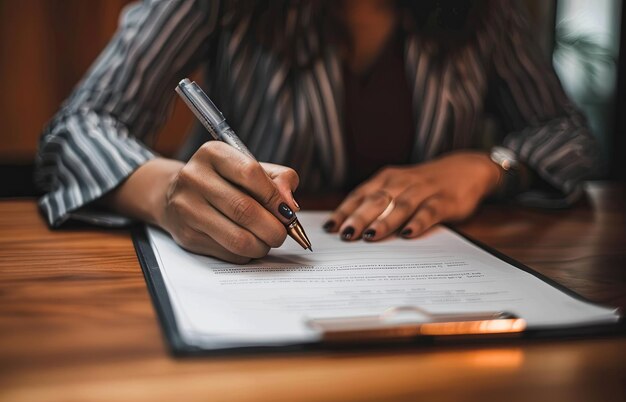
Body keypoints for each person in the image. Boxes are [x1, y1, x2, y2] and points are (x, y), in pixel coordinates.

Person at [36, 0, 598, 264]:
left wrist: (489, 166)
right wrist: (165, 192)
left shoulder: (486, 12)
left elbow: (566, 132)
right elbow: (75, 132)